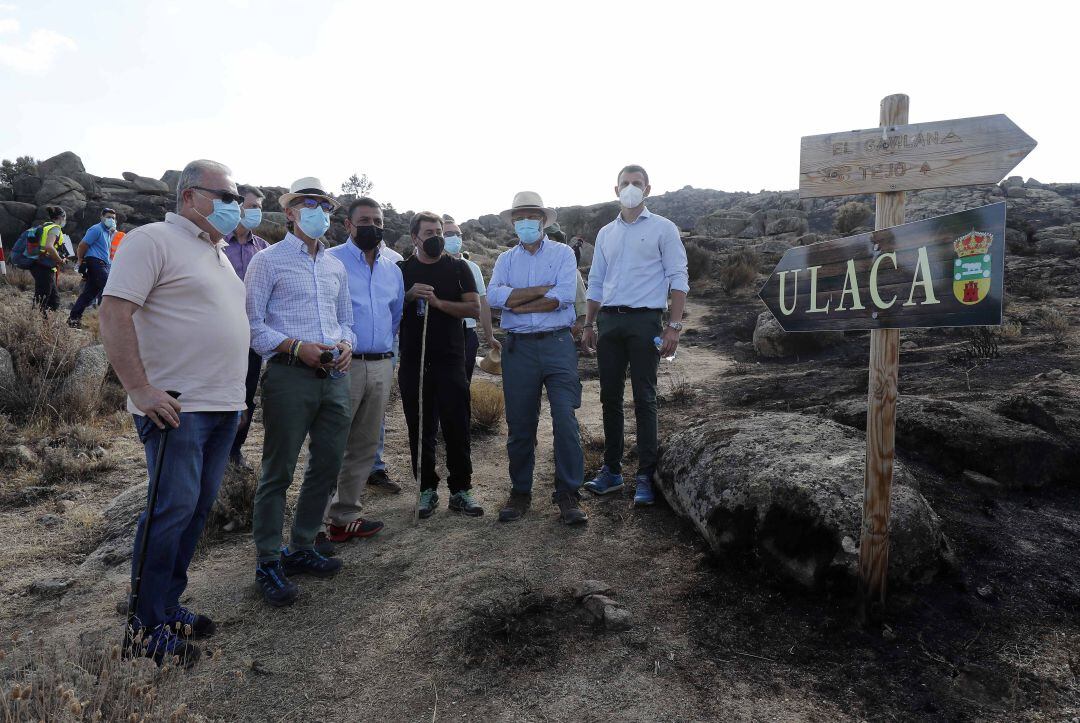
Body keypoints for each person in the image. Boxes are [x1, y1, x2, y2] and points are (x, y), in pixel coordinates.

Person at [98, 159, 248, 668]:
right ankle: (143, 628)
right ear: (189, 196)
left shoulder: (219, 253)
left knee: (195, 512)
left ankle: (166, 606)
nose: (235, 204)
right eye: (225, 195)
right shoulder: (151, 240)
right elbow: (114, 311)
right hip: (177, 408)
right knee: (170, 512)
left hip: (222, 407)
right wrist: (139, 387)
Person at [245, 177, 356, 607]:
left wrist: (346, 346)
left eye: (324, 205)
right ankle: (268, 560)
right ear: (289, 213)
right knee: (279, 470)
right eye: (308, 204)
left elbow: (344, 319)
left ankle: (302, 545)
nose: (319, 212)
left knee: (327, 464)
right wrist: (295, 347)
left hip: (334, 377)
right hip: (290, 374)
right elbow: (253, 324)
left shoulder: (334, 266)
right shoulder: (267, 261)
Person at [580, 165, 689, 506]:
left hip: (645, 322)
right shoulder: (606, 233)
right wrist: (588, 323)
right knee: (609, 398)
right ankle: (611, 471)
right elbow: (596, 281)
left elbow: (678, 277)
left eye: (636, 183)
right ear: (616, 190)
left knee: (645, 398)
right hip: (609, 322)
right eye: (625, 183)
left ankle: (645, 475)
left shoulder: (663, 229)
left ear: (648, 189)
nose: (630, 188)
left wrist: (673, 326)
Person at [486, 192, 587, 525]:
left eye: (532, 217)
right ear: (514, 222)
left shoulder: (562, 254)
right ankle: (520, 491)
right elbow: (493, 297)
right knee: (520, 424)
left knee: (566, 421)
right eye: (520, 218)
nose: (525, 223)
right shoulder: (505, 260)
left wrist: (516, 303)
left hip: (558, 345)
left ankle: (568, 493)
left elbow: (562, 296)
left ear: (544, 221)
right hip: (519, 349)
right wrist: (541, 291)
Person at [319, 197, 402, 548]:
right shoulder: (329, 260)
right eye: (364, 220)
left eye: (378, 221)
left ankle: (345, 516)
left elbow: (394, 316)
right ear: (349, 225)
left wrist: (389, 358)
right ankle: (314, 525)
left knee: (365, 445)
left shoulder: (393, 268)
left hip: (381, 363)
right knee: (330, 444)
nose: (372, 226)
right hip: (342, 366)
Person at [398, 211, 482, 519]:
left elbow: (473, 307)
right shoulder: (401, 270)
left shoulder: (459, 268)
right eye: (429, 232)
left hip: (450, 359)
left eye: (439, 232)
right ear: (415, 238)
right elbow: (389, 310)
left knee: (457, 424)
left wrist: (439, 304)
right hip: (413, 361)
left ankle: (461, 490)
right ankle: (426, 489)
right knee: (420, 426)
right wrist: (408, 296)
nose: (435, 237)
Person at [222, 186, 269, 469]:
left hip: (252, 336)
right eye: (251, 206)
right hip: (220, 334)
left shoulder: (263, 249)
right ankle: (215, 450)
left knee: (247, 395)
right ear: (236, 206)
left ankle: (235, 451)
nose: (255, 212)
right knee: (221, 392)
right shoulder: (217, 243)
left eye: (259, 208)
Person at [443, 215, 500, 380]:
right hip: (442, 333)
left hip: (468, 333)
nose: (454, 238)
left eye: (457, 234)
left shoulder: (473, 268)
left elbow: (483, 301)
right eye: (448, 234)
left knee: (464, 382)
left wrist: (489, 336)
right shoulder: (433, 265)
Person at [68, 208, 117, 327]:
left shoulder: (108, 232)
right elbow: (82, 245)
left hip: (103, 264)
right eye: (108, 217)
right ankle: (110, 321)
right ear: (102, 217)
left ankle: (74, 319)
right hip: (95, 263)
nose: (111, 220)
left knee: (88, 294)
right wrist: (80, 260)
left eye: (113, 218)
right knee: (109, 288)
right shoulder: (96, 229)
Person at [30, 206, 69, 314]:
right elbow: (49, 247)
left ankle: (45, 324)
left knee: (53, 300)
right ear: (61, 217)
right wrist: (60, 260)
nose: (65, 221)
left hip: (40, 265)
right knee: (42, 299)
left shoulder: (45, 226)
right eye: (65, 218)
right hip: (43, 266)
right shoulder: (55, 228)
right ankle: (34, 324)